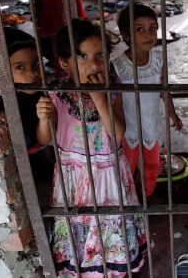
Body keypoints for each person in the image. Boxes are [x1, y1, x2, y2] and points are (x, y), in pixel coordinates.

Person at [35, 19, 147, 277]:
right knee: (78, 221)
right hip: (74, 177)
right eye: (82, 56)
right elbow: (44, 138)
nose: (94, 64)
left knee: (109, 222)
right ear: (64, 63)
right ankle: (83, 267)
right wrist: (43, 118)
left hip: (107, 174)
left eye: (100, 55)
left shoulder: (112, 90)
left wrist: (99, 97)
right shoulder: (58, 92)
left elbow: (118, 133)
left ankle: (112, 266)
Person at [114, 2, 183, 197]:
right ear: (126, 35)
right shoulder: (118, 66)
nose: (148, 35)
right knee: (126, 166)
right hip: (129, 131)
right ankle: (126, 198)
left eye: (152, 28)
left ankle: (146, 195)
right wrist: (117, 130)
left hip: (151, 126)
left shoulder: (159, 60)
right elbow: (116, 101)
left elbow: (164, 90)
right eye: (140, 29)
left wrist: (173, 114)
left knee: (152, 165)